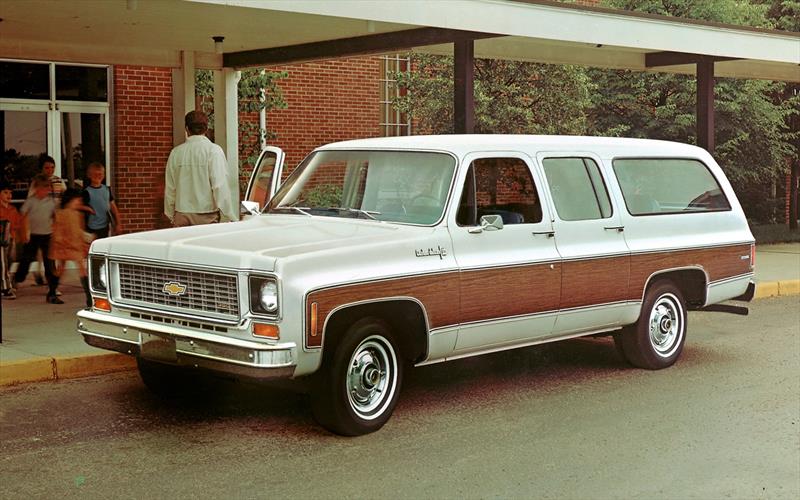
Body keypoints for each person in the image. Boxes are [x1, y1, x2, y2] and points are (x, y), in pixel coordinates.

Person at [164, 110, 234, 227]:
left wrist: (170, 214)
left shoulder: (176, 153)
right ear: (206, 129)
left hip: (182, 213)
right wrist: (228, 215)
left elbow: (171, 188)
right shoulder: (213, 151)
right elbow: (219, 185)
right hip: (207, 215)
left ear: (187, 129)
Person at [14, 174, 61, 304]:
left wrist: (56, 232)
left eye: (47, 189)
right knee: (26, 260)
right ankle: (17, 279)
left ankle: (52, 292)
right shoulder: (31, 201)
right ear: (36, 189)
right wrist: (23, 233)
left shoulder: (51, 202)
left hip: (47, 236)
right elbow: (22, 216)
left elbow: (56, 217)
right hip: (34, 236)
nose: (45, 191)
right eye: (42, 189)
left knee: (50, 264)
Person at [27, 155, 66, 288]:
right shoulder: (36, 182)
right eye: (47, 167)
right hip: (40, 219)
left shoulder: (58, 181)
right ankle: (39, 272)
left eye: (52, 167)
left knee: (52, 251)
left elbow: (64, 197)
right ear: (42, 168)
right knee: (40, 250)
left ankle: (52, 283)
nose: (50, 170)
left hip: (55, 219)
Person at [50, 189, 94, 307]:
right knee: (61, 268)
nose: (79, 203)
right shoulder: (61, 214)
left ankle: (89, 299)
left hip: (74, 246)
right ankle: (52, 293)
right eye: (77, 200)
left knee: (80, 269)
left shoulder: (77, 214)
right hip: (65, 246)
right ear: (70, 200)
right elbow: (57, 231)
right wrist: (61, 241)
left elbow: (78, 231)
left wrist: (86, 239)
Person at [82, 162, 124, 239]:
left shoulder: (106, 189)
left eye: (100, 174)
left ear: (103, 175)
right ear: (89, 175)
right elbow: (81, 208)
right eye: (94, 174)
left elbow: (113, 207)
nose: (97, 176)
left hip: (105, 226)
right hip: (91, 227)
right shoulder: (87, 192)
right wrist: (88, 209)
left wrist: (118, 224)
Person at [1, 181, 24, 299]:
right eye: (5, 192)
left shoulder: (12, 210)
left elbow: (17, 225)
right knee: (3, 264)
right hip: (1, 241)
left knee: (7, 262)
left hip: (9, 241)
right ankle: (5, 288)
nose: (9, 195)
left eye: (10, 193)